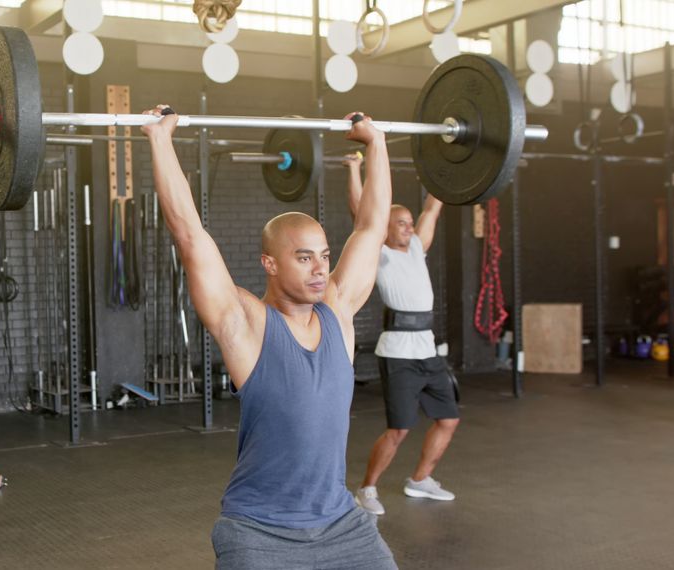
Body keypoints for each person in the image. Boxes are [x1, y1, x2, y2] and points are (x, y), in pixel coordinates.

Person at [141, 106, 397, 569]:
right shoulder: (247, 325)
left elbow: (371, 227)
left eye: (323, 255)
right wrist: (161, 139)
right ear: (270, 264)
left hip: (341, 523)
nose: (321, 268)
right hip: (259, 530)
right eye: (304, 258)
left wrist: (376, 144)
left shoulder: (338, 311)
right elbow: (190, 235)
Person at [344, 152, 460, 517]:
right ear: (386, 228)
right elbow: (363, 213)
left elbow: (432, 209)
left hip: (427, 351)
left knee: (449, 419)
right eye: (401, 223)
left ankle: (420, 479)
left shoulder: (415, 250)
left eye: (410, 222)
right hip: (397, 353)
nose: (409, 227)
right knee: (399, 429)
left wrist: (447, 168)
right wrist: (353, 168)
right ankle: (367, 489)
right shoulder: (380, 253)